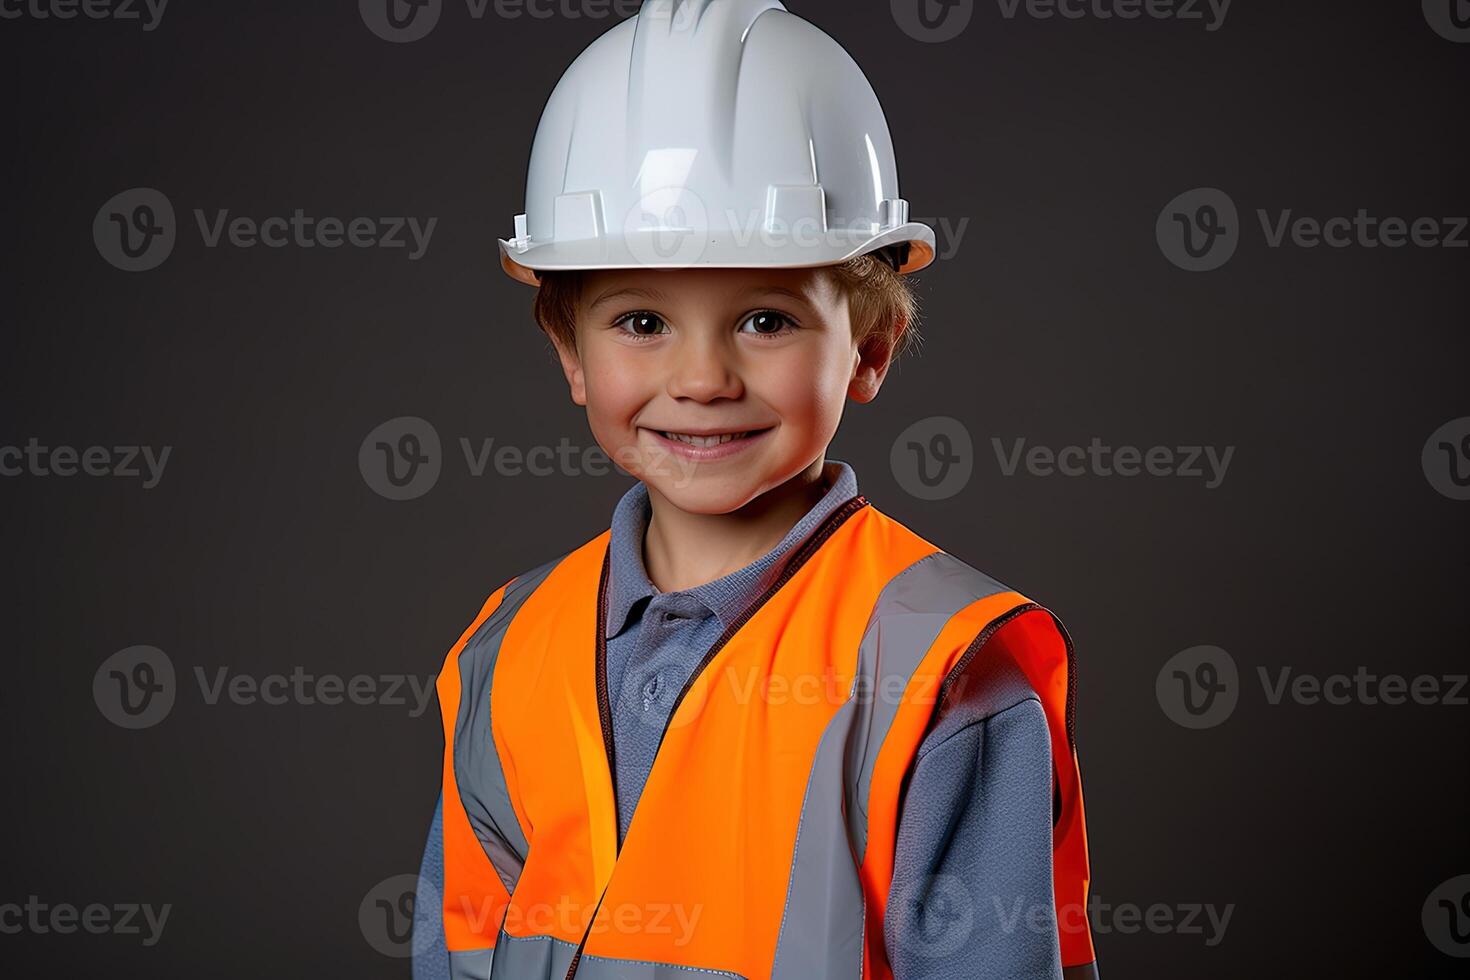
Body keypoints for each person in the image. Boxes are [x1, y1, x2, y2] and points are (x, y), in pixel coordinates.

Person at [414, 2, 1098, 977]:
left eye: (767, 320)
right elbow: (461, 947)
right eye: (642, 321)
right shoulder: (507, 646)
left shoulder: (937, 669)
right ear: (568, 353)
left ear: (869, 350)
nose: (702, 378)